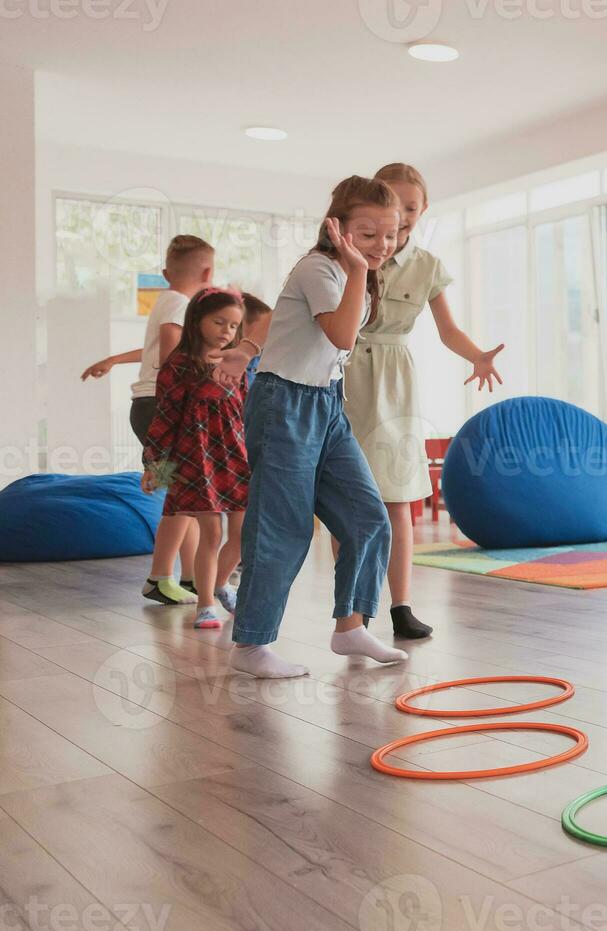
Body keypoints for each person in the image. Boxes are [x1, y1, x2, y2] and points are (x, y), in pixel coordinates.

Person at [214, 176, 408, 679]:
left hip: (327, 404)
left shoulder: (350, 271)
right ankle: (251, 644)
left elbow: (280, 318)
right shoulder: (320, 268)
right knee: (284, 527)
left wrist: (247, 348)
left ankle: (350, 626)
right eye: (368, 234)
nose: (381, 246)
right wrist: (360, 268)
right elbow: (341, 334)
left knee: (367, 517)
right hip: (285, 403)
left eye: (389, 235)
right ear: (336, 227)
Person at [341, 162, 505, 640]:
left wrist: (478, 356)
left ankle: (401, 606)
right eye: (392, 204)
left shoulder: (428, 265)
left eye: (410, 207)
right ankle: (352, 611)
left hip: (395, 382)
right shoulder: (350, 254)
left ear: (423, 208)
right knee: (349, 501)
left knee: (398, 494)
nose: (403, 215)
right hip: (347, 374)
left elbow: (448, 330)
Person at [82, 235, 213, 604]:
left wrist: (112, 359)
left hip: (151, 406)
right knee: (184, 497)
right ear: (208, 271)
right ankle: (159, 577)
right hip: (163, 409)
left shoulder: (168, 301)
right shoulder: (181, 305)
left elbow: (156, 347)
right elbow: (171, 350)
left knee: (182, 492)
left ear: (165, 272)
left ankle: (187, 578)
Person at [141, 288, 250, 631]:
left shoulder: (236, 365)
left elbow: (246, 412)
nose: (226, 331)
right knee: (211, 532)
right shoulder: (179, 365)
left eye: (233, 326)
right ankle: (206, 604)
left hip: (235, 458)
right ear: (197, 320)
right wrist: (155, 466)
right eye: (219, 322)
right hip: (198, 460)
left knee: (246, 532)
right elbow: (164, 419)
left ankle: (219, 584)